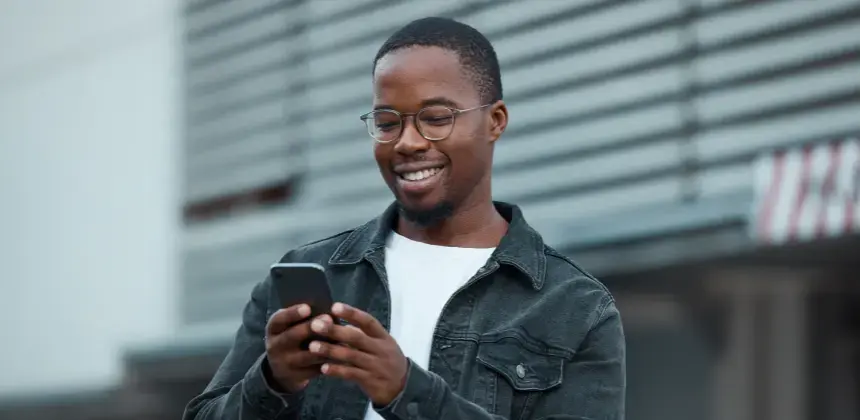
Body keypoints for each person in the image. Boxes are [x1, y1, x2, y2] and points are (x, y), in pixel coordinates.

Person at [183, 16, 625, 420]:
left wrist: (406, 391)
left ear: (495, 121)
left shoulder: (576, 308)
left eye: (436, 118)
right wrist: (273, 382)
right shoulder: (314, 274)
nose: (408, 143)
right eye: (387, 121)